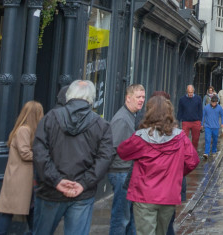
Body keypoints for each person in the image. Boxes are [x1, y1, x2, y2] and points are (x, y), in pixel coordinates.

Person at [32, 79, 114, 235]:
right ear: (92, 98)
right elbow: (104, 159)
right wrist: (82, 183)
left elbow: (39, 152)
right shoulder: (102, 125)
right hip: (81, 193)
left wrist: (56, 180)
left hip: (51, 191)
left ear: (69, 95)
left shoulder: (50, 118)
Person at [117, 95, 200, 235]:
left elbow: (122, 152)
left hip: (144, 194)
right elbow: (192, 161)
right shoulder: (180, 137)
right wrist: (177, 173)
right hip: (168, 194)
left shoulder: (140, 137)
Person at [0, 101, 44, 235]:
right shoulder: (24, 130)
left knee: (27, 208)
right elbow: (25, 153)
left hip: (21, 177)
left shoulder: (25, 129)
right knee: (11, 210)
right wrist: (43, 155)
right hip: (20, 178)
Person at [109, 83, 146, 235]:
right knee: (121, 217)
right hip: (121, 173)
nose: (141, 100)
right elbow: (114, 148)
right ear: (128, 98)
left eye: (143, 97)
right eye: (138, 97)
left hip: (127, 172)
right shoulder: (122, 120)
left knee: (130, 218)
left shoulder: (132, 116)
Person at [177, 85, 202, 152]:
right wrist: (178, 120)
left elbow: (200, 110)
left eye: (191, 92)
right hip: (186, 121)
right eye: (189, 92)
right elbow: (180, 110)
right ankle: (185, 152)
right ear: (186, 92)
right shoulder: (182, 99)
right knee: (184, 138)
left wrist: (200, 121)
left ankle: (194, 151)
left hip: (196, 121)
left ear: (194, 91)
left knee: (196, 138)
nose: (190, 94)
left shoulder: (198, 98)